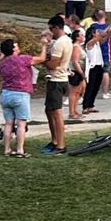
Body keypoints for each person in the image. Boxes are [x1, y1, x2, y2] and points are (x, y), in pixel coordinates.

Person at [0, 38, 46, 158]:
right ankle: (20, 150)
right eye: (16, 46)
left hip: (5, 94)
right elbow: (41, 58)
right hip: (20, 94)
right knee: (21, 124)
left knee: (8, 123)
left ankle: (7, 149)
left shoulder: (2, 63)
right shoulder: (23, 59)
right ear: (13, 49)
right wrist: (44, 46)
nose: (18, 47)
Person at [42, 15, 72, 156]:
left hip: (57, 80)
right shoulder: (66, 40)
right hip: (60, 79)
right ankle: (54, 140)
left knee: (56, 113)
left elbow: (53, 64)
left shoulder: (60, 43)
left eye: (51, 28)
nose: (50, 31)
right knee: (49, 110)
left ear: (56, 27)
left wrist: (43, 60)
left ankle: (61, 145)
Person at [82, 22, 111, 115]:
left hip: (99, 66)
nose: (98, 32)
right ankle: (85, 106)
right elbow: (101, 35)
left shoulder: (97, 43)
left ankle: (91, 105)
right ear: (93, 34)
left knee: (96, 87)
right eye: (96, 32)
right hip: (92, 67)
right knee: (90, 87)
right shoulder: (89, 43)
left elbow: (105, 37)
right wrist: (109, 27)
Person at [66, 29, 87, 122]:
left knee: (79, 91)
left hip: (80, 70)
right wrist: (81, 73)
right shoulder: (75, 47)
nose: (83, 37)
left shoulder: (79, 46)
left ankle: (75, 110)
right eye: (81, 35)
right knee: (73, 92)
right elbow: (75, 61)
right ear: (77, 37)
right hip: (75, 71)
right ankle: (71, 112)